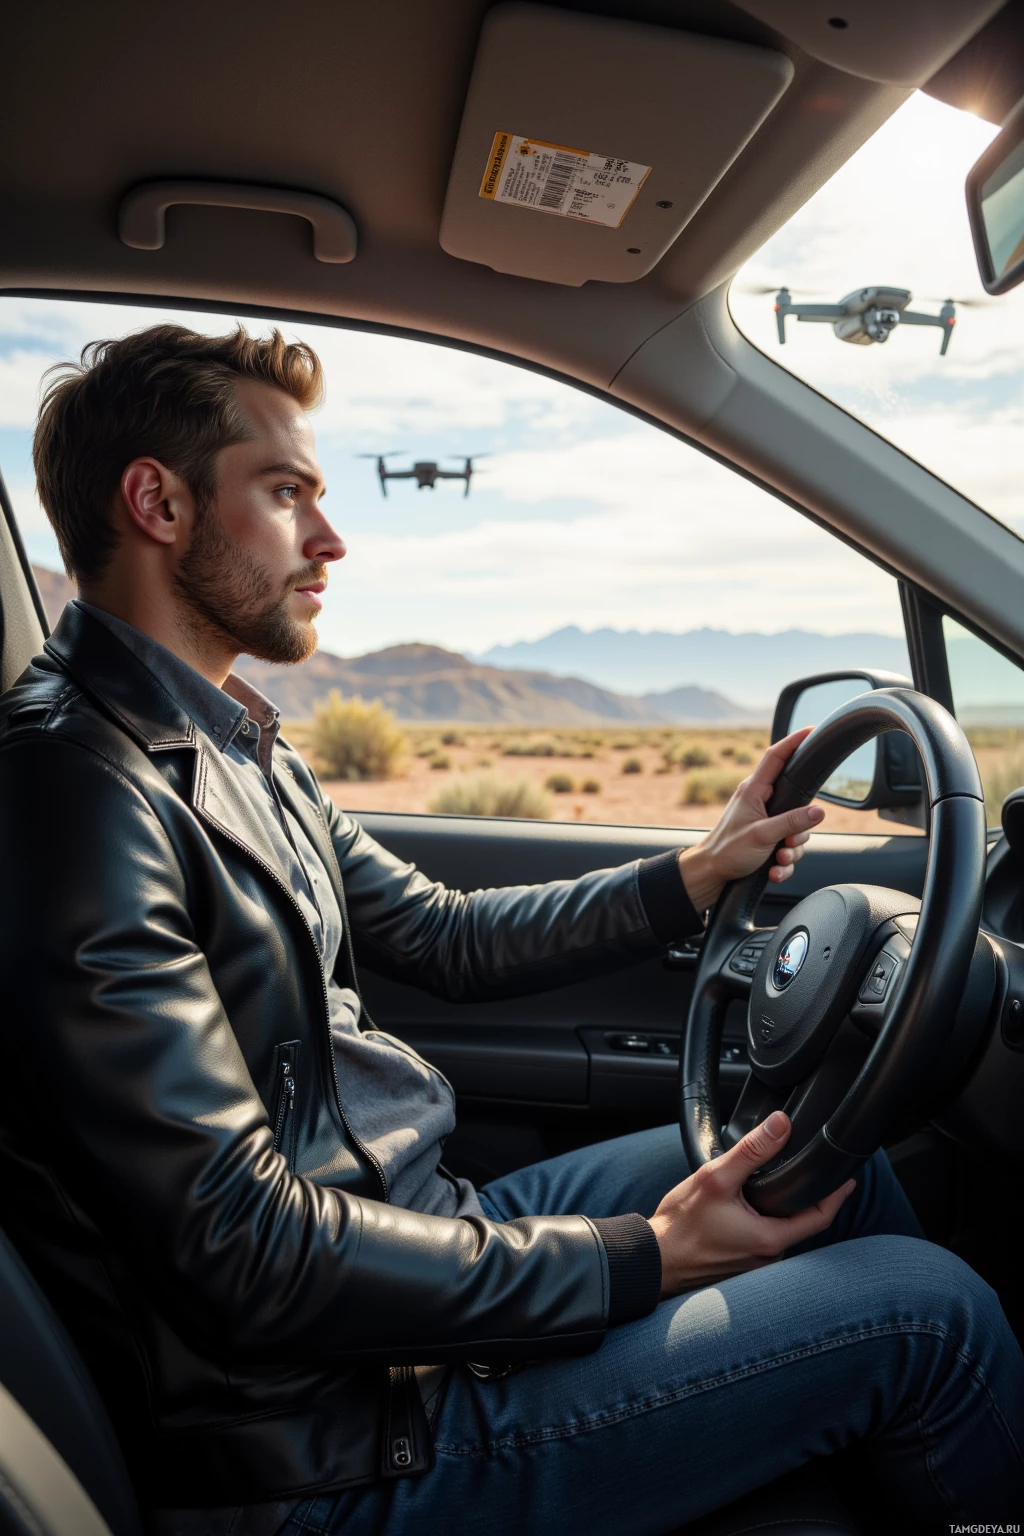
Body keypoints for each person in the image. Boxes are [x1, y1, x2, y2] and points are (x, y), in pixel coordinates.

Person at [0, 323, 1019, 1536]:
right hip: (327, 1443)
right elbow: (247, 1249)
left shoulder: (225, 740)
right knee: (931, 1312)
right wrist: (643, 1256)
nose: (330, 540)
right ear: (157, 503)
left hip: (407, 1268)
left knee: (821, 1166)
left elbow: (444, 936)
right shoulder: (73, 790)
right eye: (286, 494)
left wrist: (696, 873)